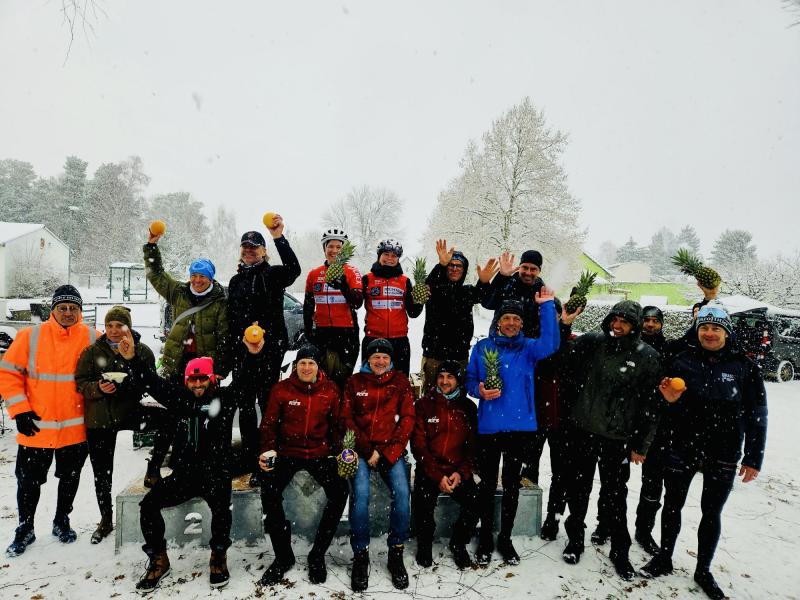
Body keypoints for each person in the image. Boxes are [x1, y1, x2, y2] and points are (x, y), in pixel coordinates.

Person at [118, 329, 266, 592]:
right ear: (186, 381)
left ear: (211, 379)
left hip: (216, 473)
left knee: (222, 511)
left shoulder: (223, 399)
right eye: (193, 380)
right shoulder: (178, 399)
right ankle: (159, 559)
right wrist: (132, 359)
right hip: (184, 474)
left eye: (202, 379)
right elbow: (151, 382)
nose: (197, 385)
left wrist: (253, 355)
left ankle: (218, 556)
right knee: (148, 506)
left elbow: (246, 381)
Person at [640, 304, 767, 600]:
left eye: (716, 328)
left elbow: (757, 414)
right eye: (704, 328)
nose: (709, 333)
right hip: (682, 445)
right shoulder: (681, 359)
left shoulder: (744, 366)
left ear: (727, 332)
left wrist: (753, 456)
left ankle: (703, 570)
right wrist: (667, 399)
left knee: (712, 512)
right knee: (672, 505)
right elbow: (660, 398)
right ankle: (665, 557)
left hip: (723, 450)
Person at [560, 300, 660, 581]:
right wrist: (564, 325)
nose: (617, 326)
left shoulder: (647, 356)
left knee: (615, 496)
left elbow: (651, 405)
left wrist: (642, 444)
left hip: (618, 437)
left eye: (625, 322)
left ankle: (620, 550)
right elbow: (563, 356)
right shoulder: (593, 342)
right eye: (614, 319)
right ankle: (575, 539)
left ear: (635, 326)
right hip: (584, 430)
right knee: (578, 490)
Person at [1, 285, 100, 556]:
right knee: (28, 482)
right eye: (62, 308)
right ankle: (25, 527)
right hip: (36, 427)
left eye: (73, 308)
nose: (68, 313)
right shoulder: (30, 336)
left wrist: (129, 342)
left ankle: (61, 520)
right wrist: (20, 410)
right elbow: (8, 373)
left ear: (80, 311)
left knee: (69, 478)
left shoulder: (92, 337)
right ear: (53, 310)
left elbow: (115, 358)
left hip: (75, 429)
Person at [465, 294, 560, 565]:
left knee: (511, 486)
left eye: (516, 319)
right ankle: (485, 537)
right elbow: (470, 379)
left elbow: (551, 344)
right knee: (486, 486)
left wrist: (547, 306)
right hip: (489, 426)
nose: (510, 323)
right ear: (498, 322)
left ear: (521, 324)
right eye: (506, 318)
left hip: (520, 427)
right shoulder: (482, 347)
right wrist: (479, 390)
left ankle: (505, 537)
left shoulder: (529, 348)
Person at [143, 229, 229, 487]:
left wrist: (220, 368)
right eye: (194, 275)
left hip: (203, 370)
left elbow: (224, 336)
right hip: (177, 365)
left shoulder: (219, 301)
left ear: (210, 278)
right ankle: (156, 466)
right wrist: (151, 247)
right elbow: (156, 275)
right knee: (172, 417)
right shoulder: (179, 292)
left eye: (202, 276)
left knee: (203, 418)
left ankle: (202, 464)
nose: (197, 280)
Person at [257, 344, 349, 585]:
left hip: (319, 453)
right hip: (287, 452)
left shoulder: (330, 390)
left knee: (340, 491)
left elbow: (337, 426)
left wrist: (341, 451)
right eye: (302, 363)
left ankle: (317, 554)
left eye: (311, 363)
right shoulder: (281, 390)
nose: (306, 367)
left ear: (319, 367)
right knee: (269, 492)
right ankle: (283, 556)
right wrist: (268, 449)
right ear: (295, 365)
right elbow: (268, 424)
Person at [227, 219, 301, 484]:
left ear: (263, 251)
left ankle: (266, 457)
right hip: (243, 352)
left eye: (254, 247)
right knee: (245, 405)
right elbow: (232, 318)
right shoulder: (235, 281)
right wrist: (239, 342)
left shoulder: (273, 274)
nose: (249, 250)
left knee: (268, 404)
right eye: (245, 247)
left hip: (270, 350)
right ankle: (249, 457)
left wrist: (279, 237)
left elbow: (294, 269)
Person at [75, 305, 156, 543]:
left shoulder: (142, 350)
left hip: (129, 412)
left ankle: (154, 467)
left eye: (119, 325)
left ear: (128, 327)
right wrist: (98, 388)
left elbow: (150, 381)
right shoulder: (92, 352)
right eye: (109, 325)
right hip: (100, 418)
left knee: (168, 420)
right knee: (102, 472)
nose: (113, 330)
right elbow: (80, 382)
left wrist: (130, 382)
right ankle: (106, 518)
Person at [341, 338, 415, 591]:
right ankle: (360, 553)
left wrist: (389, 452)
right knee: (360, 494)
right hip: (362, 451)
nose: (380, 361)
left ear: (391, 360)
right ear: (367, 359)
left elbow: (407, 418)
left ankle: (396, 550)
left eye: (385, 357)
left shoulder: (400, 382)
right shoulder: (355, 382)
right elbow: (346, 418)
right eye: (375, 357)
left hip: (390, 451)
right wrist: (367, 450)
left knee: (402, 493)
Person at [520, 297, 581, 541]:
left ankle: (553, 517)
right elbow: (547, 359)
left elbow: (561, 357)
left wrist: (564, 327)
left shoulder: (573, 343)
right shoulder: (531, 345)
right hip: (534, 418)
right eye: (543, 313)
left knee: (561, 473)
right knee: (528, 468)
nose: (549, 319)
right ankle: (526, 513)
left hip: (563, 420)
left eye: (555, 314)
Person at [411, 360, 479, 570]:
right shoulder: (423, 405)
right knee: (422, 505)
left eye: (450, 377)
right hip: (430, 469)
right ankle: (424, 543)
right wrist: (437, 475)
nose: (444, 381)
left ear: (458, 380)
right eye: (441, 377)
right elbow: (418, 446)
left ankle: (458, 542)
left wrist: (461, 472)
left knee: (475, 502)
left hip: (456, 470)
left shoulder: (467, 407)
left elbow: (472, 447)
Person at [419, 239, 495, 392]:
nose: (454, 269)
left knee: (458, 399)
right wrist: (441, 265)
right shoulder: (435, 289)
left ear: (464, 269)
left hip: (459, 357)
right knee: (431, 398)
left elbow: (485, 298)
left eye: (459, 266)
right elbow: (429, 284)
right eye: (451, 265)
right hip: (434, 356)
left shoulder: (467, 292)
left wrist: (484, 282)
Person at [303, 228, 363, 388]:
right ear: (324, 249)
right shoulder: (314, 274)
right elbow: (308, 305)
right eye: (330, 246)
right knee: (321, 380)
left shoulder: (352, 272)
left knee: (342, 380)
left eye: (338, 247)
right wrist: (308, 331)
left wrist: (344, 286)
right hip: (322, 332)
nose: (334, 250)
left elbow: (358, 302)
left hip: (346, 333)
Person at [361, 239, 423, 375]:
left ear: (398, 259)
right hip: (373, 339)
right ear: (379, 255)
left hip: (399, 341)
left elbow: (413, 313)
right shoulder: (367, 279)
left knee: (400, 381)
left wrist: (420, 300)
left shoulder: (405, 281)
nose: (390, 258)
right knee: (369, 381)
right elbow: (355, 303)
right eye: (386, 254)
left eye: (394, 255)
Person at [481, 250, 546, 338]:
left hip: (528, 343)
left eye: (533, 269)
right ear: (519, 267)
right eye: (525, 267)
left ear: (539, 271)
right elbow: (487, 303)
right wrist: (501, 276)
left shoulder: (543, 292)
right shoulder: (507, 282)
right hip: (499, 341)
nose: (528, 272)